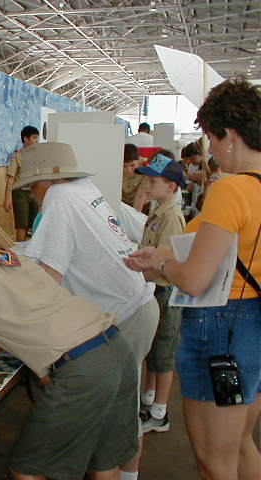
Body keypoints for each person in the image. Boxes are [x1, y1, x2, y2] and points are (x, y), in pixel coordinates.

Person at [0, 203, 138, 480]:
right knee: (104, 462)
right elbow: (8, 309)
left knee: (28, 471)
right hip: (115, 347)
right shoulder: (13, 259)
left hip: (81, 370)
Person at [125, 76, 261, 480]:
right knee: (241, 446)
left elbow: (196, 278)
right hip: (252, 326)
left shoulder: (231, 189)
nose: (212, 152)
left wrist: (161, 265)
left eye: (213, 140)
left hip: (221, 327)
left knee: (213, 461)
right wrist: (165, 253)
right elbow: (197, 241)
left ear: (231, 136)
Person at [16, 142, 159, 480]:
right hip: (136, 306)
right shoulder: (83, 189)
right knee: (123, 412)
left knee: (112, 419)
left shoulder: (58, 200)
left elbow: (49, 279)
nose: (33, 196)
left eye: (32, 188)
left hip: (122, 317)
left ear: (46, 182)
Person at [132, 153, 186, 433]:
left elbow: (165, 263)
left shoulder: (171, 218)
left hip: (164, 291)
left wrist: (137, 272)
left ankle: (160, 413)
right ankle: (149, 399)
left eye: (153, 181)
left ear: (171, 186)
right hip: (154, 289)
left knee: (163, 351)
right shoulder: (158, 212)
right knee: (153, 348)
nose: (147, 185)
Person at [3, 126, 40, 241]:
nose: (36, 141)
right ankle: (20, 254)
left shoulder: (39, 156)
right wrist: (7, 199)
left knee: (34, 226)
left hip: (35, 192)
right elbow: (10, 178)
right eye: (34, 138)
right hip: (20, 193)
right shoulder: (17, 156)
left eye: (37, 138)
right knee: (22, 226)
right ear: (25, 139)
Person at [122, 143, 146, 210]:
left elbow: (141, 195)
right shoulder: (115, 165)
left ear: (138, 160)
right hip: (123, 205)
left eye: (132, 165)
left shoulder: (147, 167)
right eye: (124, 166)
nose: (129, 170)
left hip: (143, 205)